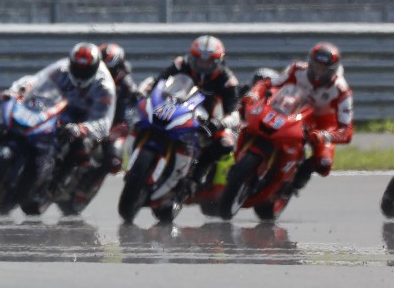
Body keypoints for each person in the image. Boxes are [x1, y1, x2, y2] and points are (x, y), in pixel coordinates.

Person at [3, 42, 116, 204]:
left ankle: (56, 186)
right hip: (59, 108)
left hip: (84, 118)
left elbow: (104, 123)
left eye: (86, 70)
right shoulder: (62, 68)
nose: (80, 73)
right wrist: (18, 91)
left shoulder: (105, 85)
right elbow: (36, 81)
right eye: (77, 68)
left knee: (80, 145)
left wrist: (82, 129)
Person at [241, 43, 353, 197]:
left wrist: (326, 135)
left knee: (324, 163)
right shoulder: (297, 69)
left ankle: (292, 184)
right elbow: (269, 83)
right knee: (253, 117)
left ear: (332, 70)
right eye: (316, 67)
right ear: (310, 63)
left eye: (324, 69)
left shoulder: (341, 90)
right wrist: (254, 94)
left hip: (321, 122)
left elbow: (346, 130)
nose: (318, 73)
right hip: (292, 106)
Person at [140, 35, 240, 198]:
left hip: (209, 118)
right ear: (192, 57)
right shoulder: (181, 64)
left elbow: (234, 113)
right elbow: (158, 81)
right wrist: (144, 91)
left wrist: (220, 123)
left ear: (218, 61)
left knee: (225, 142)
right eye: (199, 60)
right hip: (175, 106)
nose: (203, 65)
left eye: (208, 61)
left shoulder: (228, 81)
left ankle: (197, 176)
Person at [98, 42, 141, 175]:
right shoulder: (92, 76)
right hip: (94, 116)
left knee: (114, 161)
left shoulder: (124, 79)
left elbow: (135, 96)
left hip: (116, 120)